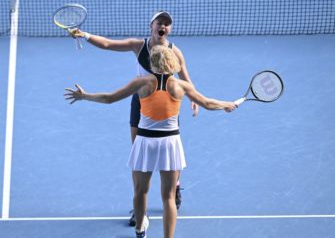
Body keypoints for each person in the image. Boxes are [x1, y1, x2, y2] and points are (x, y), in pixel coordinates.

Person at [64, 45, 237, 238]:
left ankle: (140, 230)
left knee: (140, 191)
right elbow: (208, 103)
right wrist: (227, 105)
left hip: (145, 142)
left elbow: (110, 98)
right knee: (169, 197)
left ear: (152, 63)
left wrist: (84, 96)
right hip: (170, 144)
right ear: (173, 63)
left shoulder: (141, 82)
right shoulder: (182, 86)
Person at [71, 11, 197, 223]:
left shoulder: (175, 52)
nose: (163, 27)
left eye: (167, 24)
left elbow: (185, 76)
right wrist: (85, 35)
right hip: (141, 101)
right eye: (160, 23)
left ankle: (174, 186)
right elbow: (108, 45)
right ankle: (140, 209)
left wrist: (193, 97)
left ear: (170, 29)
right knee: (139, 156)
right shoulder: (138, 46)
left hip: (167, 103)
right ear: (152, 25)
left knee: (171, 151)